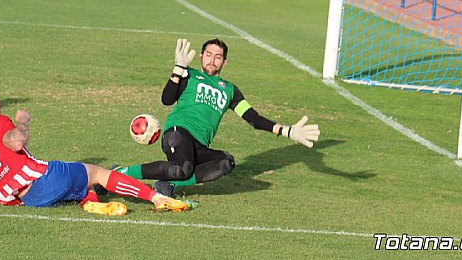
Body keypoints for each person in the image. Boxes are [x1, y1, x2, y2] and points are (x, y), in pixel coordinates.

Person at [113, 39, 321, 197]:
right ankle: (119, 173)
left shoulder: (230, 90)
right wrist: (178, 69)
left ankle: (168, 185)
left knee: (225, 162)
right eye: (209, 55)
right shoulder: (189, 75)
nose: (212, 60)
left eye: (218, 56)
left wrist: (288, 131)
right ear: (201, 56)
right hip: (178, 133)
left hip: (200, 145)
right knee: (182, 169)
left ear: (225, 61)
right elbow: (167, 100)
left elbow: (254, 119)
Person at [0, 85, 188, 215]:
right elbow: (17, 142)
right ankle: (157, 199)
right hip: (43, 181)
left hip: (30, 200)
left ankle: (91, 203)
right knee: (97, 173)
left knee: (83, 184)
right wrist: (23, 120)